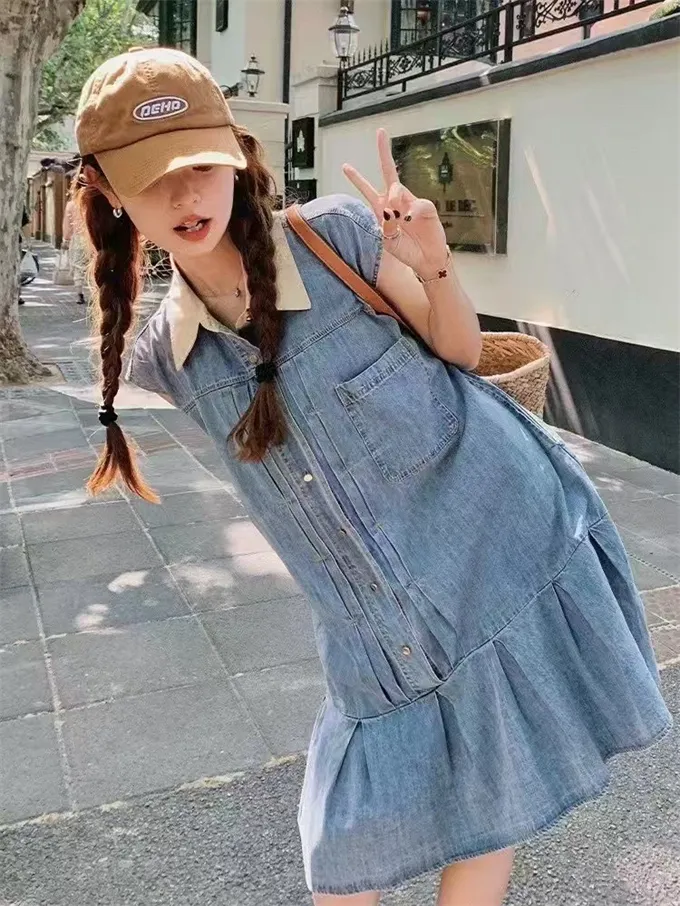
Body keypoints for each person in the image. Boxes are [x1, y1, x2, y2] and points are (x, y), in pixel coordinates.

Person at [72, 47, 672, 906]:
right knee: (344, 858)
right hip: (372, 628)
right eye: (151, 179)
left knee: (496, 797)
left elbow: (458, 351)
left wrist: (434, 263)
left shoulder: (338, 239)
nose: (183, 197)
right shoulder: (168, 360)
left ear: (236, 156)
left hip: (494, 550)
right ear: (108, 193)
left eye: (199, 166)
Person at [62, 194, 89, 304]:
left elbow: (67, 224)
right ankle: (97, 293)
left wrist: (66, 239)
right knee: (94, 266)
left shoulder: (71, 205)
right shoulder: (93, 201)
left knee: (78, 266)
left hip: (78, 238)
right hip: (93, 238)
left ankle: (79, 294)